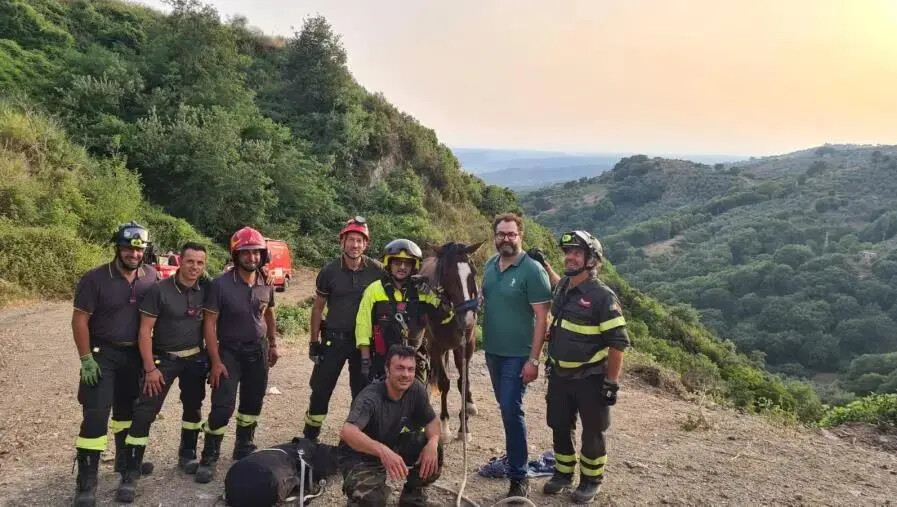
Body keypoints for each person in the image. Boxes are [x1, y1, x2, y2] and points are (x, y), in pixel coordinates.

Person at [71, 222, 159, 507]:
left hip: (134, 356)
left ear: (145, 250)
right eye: (127, 248)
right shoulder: (95, 278)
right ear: (117, 248)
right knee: (96, 415)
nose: (133, 254)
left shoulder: (151, 277)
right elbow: (80, 320)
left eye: (138, 248)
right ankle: (87, 482)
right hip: (102, 355)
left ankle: (124, 464)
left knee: (129, 413)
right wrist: (86, 359)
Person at [115, 242, 210, 503]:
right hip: (163, 361)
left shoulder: (207, 288)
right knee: (145, 412)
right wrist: (150, 368)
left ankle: (187, 454)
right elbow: (144, 330)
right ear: (179, 260)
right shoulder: (160, 290)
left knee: (193, 408)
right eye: (190, 261)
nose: (195, 267)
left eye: (200, 263)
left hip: (194, 359)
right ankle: (130, 472)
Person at [541, 231, 629, 503]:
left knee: (593, 430)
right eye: (568, 252)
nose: (570, 256)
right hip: (559, 374)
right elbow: (558, 290)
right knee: (558, 424)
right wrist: (545, 265)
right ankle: (563, 473)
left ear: (592, 259)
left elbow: (618, 343)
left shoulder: (603, 297)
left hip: (589, 377)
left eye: (577, 252)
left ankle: (591, 481)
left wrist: (611, 383)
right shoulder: (564, 287)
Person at [196, 226, 279, 483]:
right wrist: (216, 360)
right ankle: (209, 456)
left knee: (253, 402)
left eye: (256, 253)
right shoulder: (220, 286)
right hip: (229, 351)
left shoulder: (266, 281)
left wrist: (274, 344)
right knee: (222, 406)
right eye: (246, 253)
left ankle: (243, 445)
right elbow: (209, 323)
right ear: (236, 255)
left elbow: (269, 314)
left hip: (258, 350)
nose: (252, 257)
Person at [481, 213, 552, 501]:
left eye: (511, 234)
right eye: (501, 234)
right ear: (495, 237)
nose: (506, 239)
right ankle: (515, 461)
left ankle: (519, 477)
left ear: (520, 235)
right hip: (493, 352)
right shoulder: (489, 265)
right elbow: (484, 300)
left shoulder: (532, 270)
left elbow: (543, 317)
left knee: (512, 409)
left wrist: (533, 360)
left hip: (518, 355)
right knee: (505, 408)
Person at [303, 217, 384, 442]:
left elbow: (397, 283)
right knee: (321, 388)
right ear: (343, 242)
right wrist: (313, 341)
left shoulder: (376, 270)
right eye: (351, 240)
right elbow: (318, 308)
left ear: (365, 244)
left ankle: (353, 440)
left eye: (359, 240)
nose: (355, 245)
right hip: (333, 339)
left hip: (363, 343)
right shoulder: (329, 271)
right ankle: (310, 436)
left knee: (361, 391)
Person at [338, 345, 443, 507]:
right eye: (400, 368)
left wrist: (433, 442)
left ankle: (412, 497)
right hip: (359, 455)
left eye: (410, 369)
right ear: (387, 370)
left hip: (391, 444)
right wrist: (383, 451)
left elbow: (432, 421)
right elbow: (347, 432)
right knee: (373, 501)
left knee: (435, 447)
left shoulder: (415, 388)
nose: (406, 375)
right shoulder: (370, 397)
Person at [355, 239, 453, 384]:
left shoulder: (422, 292)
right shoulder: (374, 290)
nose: (402, 267)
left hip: (414, 361)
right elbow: (362, 325)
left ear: (414, 266)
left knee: (419, 401)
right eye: (397, 263)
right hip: (382, 360)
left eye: (407, 263)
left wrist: (439, 295)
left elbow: (446, 316)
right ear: (389, 264)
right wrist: (365, 359)